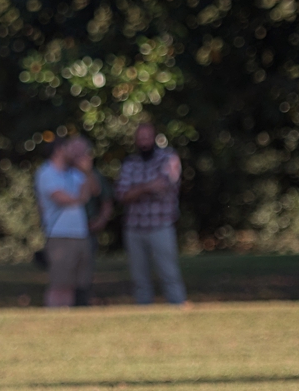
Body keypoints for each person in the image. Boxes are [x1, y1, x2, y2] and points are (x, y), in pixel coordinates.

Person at [34, 134, 113, 308]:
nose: (76, 153)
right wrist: (80, 196)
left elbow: (94, 191)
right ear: (59, 150)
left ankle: (69, 319)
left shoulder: (74, 173)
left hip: (80, 233)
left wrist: (87, 171)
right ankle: (55, 315)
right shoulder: (46, 172)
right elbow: (64, 198)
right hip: (60, 235)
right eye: (70, 148)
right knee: (59, 283)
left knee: (77, 283)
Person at [115, 120, 188, 307]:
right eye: (140, 138)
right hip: (135, 228)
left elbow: (164, 185)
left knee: (169, 274)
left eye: (147, 137)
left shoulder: (168, 158)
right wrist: (148, 187)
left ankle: (177, 306)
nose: (144, 142)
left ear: (154, 137)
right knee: (140, 278)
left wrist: (137, 189)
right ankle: (143, 313)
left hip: (160, 226)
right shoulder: (131, 163)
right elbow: (123, 194)